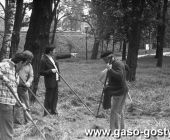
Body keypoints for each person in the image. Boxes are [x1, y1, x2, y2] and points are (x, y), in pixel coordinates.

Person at [40, 46, 77, 116]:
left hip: (55, 80)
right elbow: (41, 72)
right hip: (49, 81)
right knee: (49, 97)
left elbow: (60, 56)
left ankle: (53, 111)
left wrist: (71, 55)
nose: (55, 51)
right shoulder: (43, 59)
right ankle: (47, 112)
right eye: (54, 50)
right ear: (50, 51)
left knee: (55, 96)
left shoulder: (53, 57)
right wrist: (50, 71)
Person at [0, 53, 28, 140]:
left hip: (9, 103)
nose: (23, 67)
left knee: (6, 128)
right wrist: (3, 78)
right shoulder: (4, 65)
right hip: (4, 102)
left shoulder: (15, 71)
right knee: (8, 130)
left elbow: (14, 91)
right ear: (20, 62)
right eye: (23, 65)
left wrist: (20, 103)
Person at [100, 51, 128, 131]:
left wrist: (110, 69)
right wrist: (108, 83)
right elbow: (115, 77)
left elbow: (119, 76)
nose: (104, 61)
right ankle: (122, 129)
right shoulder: (114, 63)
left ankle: (113, 130)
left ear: (110, 57)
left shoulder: (117, 64)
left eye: (105, 59)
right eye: (103, 59)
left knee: (114, 111)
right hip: (119, 89)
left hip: (119, 91)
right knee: (119, 110)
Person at [14, 50, 34, 124]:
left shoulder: (29, 66)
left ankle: (28, 122)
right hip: (15, 87)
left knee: (26, 104)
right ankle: (17, 122)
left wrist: (29, 82)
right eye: (29, 59)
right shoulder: (17, 63)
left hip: (24, 88)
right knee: (17, 105)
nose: (30, 61)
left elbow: (31, 76)